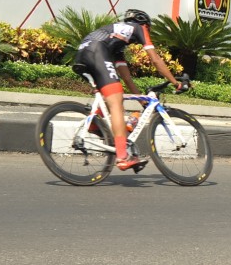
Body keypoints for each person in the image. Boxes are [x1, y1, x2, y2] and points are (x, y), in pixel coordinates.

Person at [74, 9, 181, 171]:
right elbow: (155, 59)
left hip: (82, 53)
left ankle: (95, 124)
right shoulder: (139, 28)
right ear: (144, 25)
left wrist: (142, 99)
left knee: (113, 97)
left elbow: (127, 78)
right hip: (96, 51)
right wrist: (175, 82)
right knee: (117, 101)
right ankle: (123, 157)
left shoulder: (117, 41)